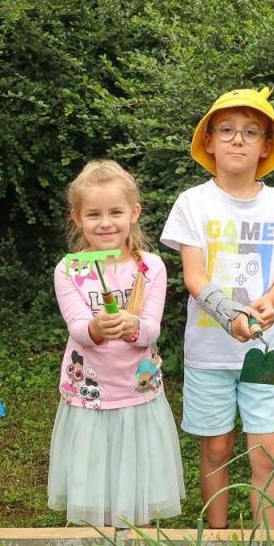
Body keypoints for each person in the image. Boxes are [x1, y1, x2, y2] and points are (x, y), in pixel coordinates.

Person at [160, 87, 274, 529]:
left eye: (250, 132)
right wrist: (231, 315)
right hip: (208, 354)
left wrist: (268, 302)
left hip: (264, 352)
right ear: (208, 141)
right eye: (226, 130)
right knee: (217, 449)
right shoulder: (193, 202)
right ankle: (219, 544)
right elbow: (193, 277)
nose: (238, 140)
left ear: (267, 145)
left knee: (270, 452)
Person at [47, 160, 184, 526]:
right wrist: (96, 326)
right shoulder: (70, 268)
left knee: (136, 477)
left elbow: (152, 329)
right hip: (90, 394)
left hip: (137, 392)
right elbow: (77, 327)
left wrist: (132, 326)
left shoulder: (150, 267)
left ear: (134, 213)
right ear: (77, 218)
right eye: (93, 214)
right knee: (92, 478)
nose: (105, 223)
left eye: (116, 212)